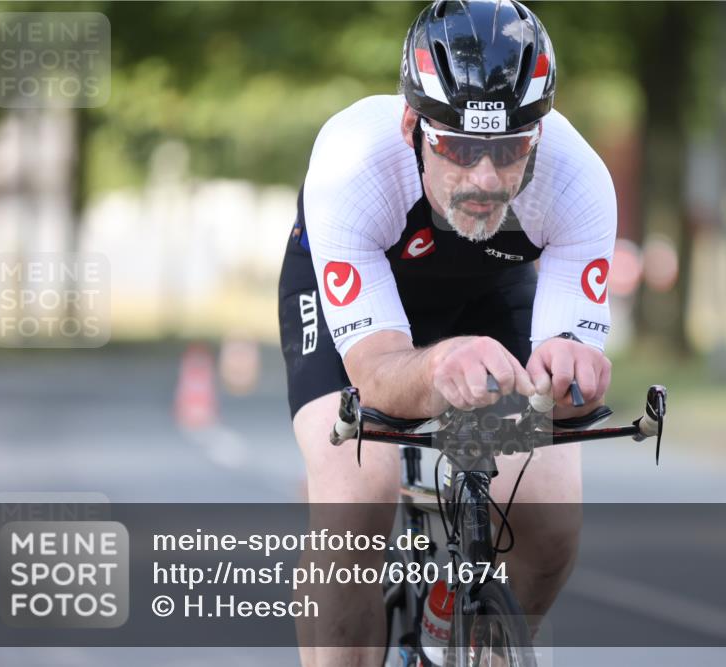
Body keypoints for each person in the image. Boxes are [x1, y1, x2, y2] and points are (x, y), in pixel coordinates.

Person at [278, 1, 615, 664]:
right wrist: (441, 369)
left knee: (547, 518)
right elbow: (376, 375)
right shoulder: (355, 164)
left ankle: (480, 638)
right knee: (357, 502)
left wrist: (569, 373)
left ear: (539, 135)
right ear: (413, 124)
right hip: (366, 309)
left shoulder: (579, 182)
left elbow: (566, 377)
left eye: (511, 148)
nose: (485, 179)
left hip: (489, 296)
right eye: (458, 147)